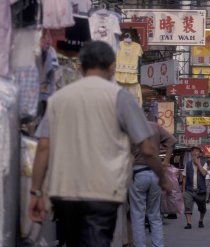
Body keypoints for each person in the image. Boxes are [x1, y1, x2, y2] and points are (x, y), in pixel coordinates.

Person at [28, 41, 171, 247]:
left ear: (81, 66)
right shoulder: (121, 98)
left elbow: (43, 147)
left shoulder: (59, 98)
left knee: (73, 241)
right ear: (113, 67)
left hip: (64, 191)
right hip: (103, 190)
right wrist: (162, 178)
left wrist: (35, 191)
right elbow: (148, 149)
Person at [128, 120, 176, 247]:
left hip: (137, 173)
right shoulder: (156, 127)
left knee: (138, 215)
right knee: (154, 215)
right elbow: (172, 141)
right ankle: (158, 245)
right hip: (155, 173)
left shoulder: (132, 127)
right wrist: (166, 160)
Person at [182, 146, 208, 229]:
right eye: (193, 151)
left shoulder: (204, 163)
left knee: (202, 208)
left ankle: (201, 220)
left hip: (200, 190)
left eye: (197, 151)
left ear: (200, 154)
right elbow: (184, 177)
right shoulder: (188, 164)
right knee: (188, 207)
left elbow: (204, 174)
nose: (194, 152)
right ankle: (189, 223)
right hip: (189, 190)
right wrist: (183, 191)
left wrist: (198, 164)